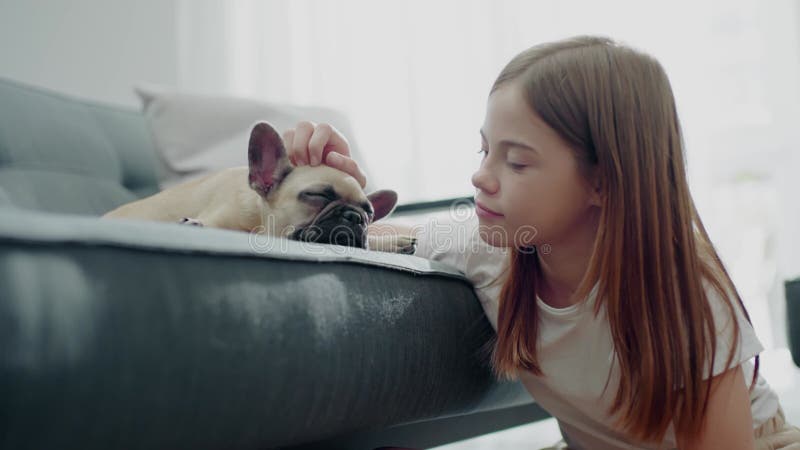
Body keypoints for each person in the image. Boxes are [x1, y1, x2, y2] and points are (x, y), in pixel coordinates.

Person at [282, 36, 800, 449]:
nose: (481, 177)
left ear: (603, 181)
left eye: (517, 161)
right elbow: (369, 237)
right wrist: (328, 183)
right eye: (484, 150)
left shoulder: (685, 299)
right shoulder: (491, 249)